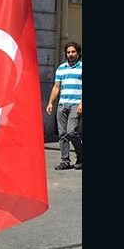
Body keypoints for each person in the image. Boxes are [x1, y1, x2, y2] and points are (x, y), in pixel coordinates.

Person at [46, 41, 83, 170]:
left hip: (76, 104)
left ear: (78, 53)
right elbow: (56, 87)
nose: (70, 54)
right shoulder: (61, 68)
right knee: (62, 134)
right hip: (62, 105)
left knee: (71, 132)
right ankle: (65, 160)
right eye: (68, 52)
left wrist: (81, 103)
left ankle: (81, 155)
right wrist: (51, 102)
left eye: (73, 52)